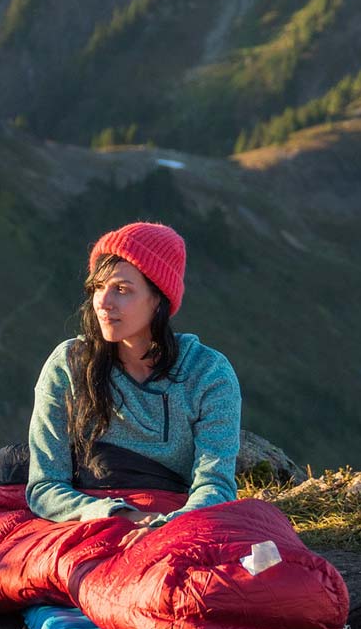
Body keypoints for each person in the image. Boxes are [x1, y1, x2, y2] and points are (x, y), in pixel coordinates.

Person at [24, 220, 243, 526]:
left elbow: (215, 486)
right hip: (88, 522)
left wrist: (164, 528)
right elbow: (45, 486)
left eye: (122, 290)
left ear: (158, 300)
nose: (104, 302)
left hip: (178, 524)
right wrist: (118, 515)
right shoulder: (69, 364)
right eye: (98, 287)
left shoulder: (207, 373)